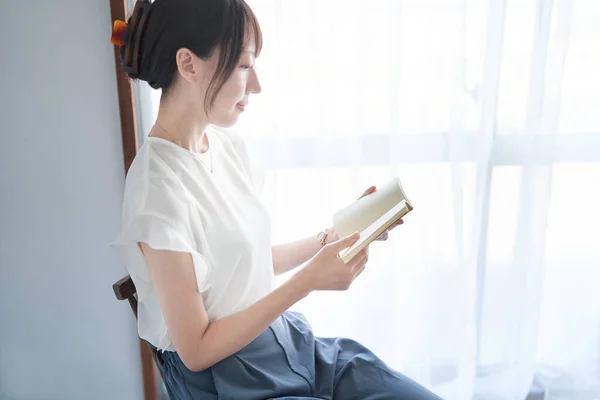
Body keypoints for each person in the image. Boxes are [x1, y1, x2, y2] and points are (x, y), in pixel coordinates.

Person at [110, 0, 441, 399]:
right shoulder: (156, 189)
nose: (257, 85)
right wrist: (307, 282)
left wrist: (330, 238)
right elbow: (196, 350)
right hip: (229, 377)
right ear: (189, 64)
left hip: (288, 343)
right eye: (244, 66)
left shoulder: (223, 145)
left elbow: (241, 265)